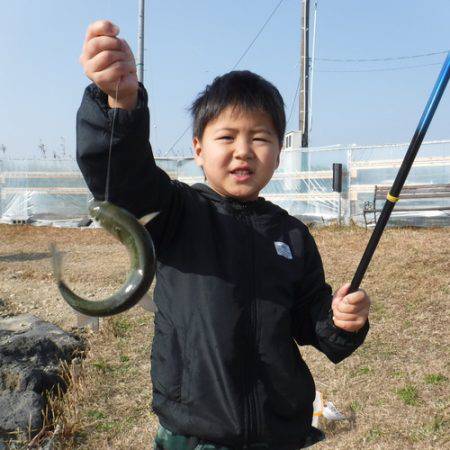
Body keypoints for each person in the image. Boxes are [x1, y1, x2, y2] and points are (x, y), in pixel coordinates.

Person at [77, 20, 371, 450]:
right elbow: (122, 178)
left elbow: (313, 322)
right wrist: (119, 104)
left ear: (278, 151)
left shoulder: (293, 235)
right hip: (195, 433)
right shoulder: (176, 212)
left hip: (280, 433)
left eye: (260, 138)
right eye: (227, 136)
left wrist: (343, 321)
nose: (243, 150)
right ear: (198, 148)